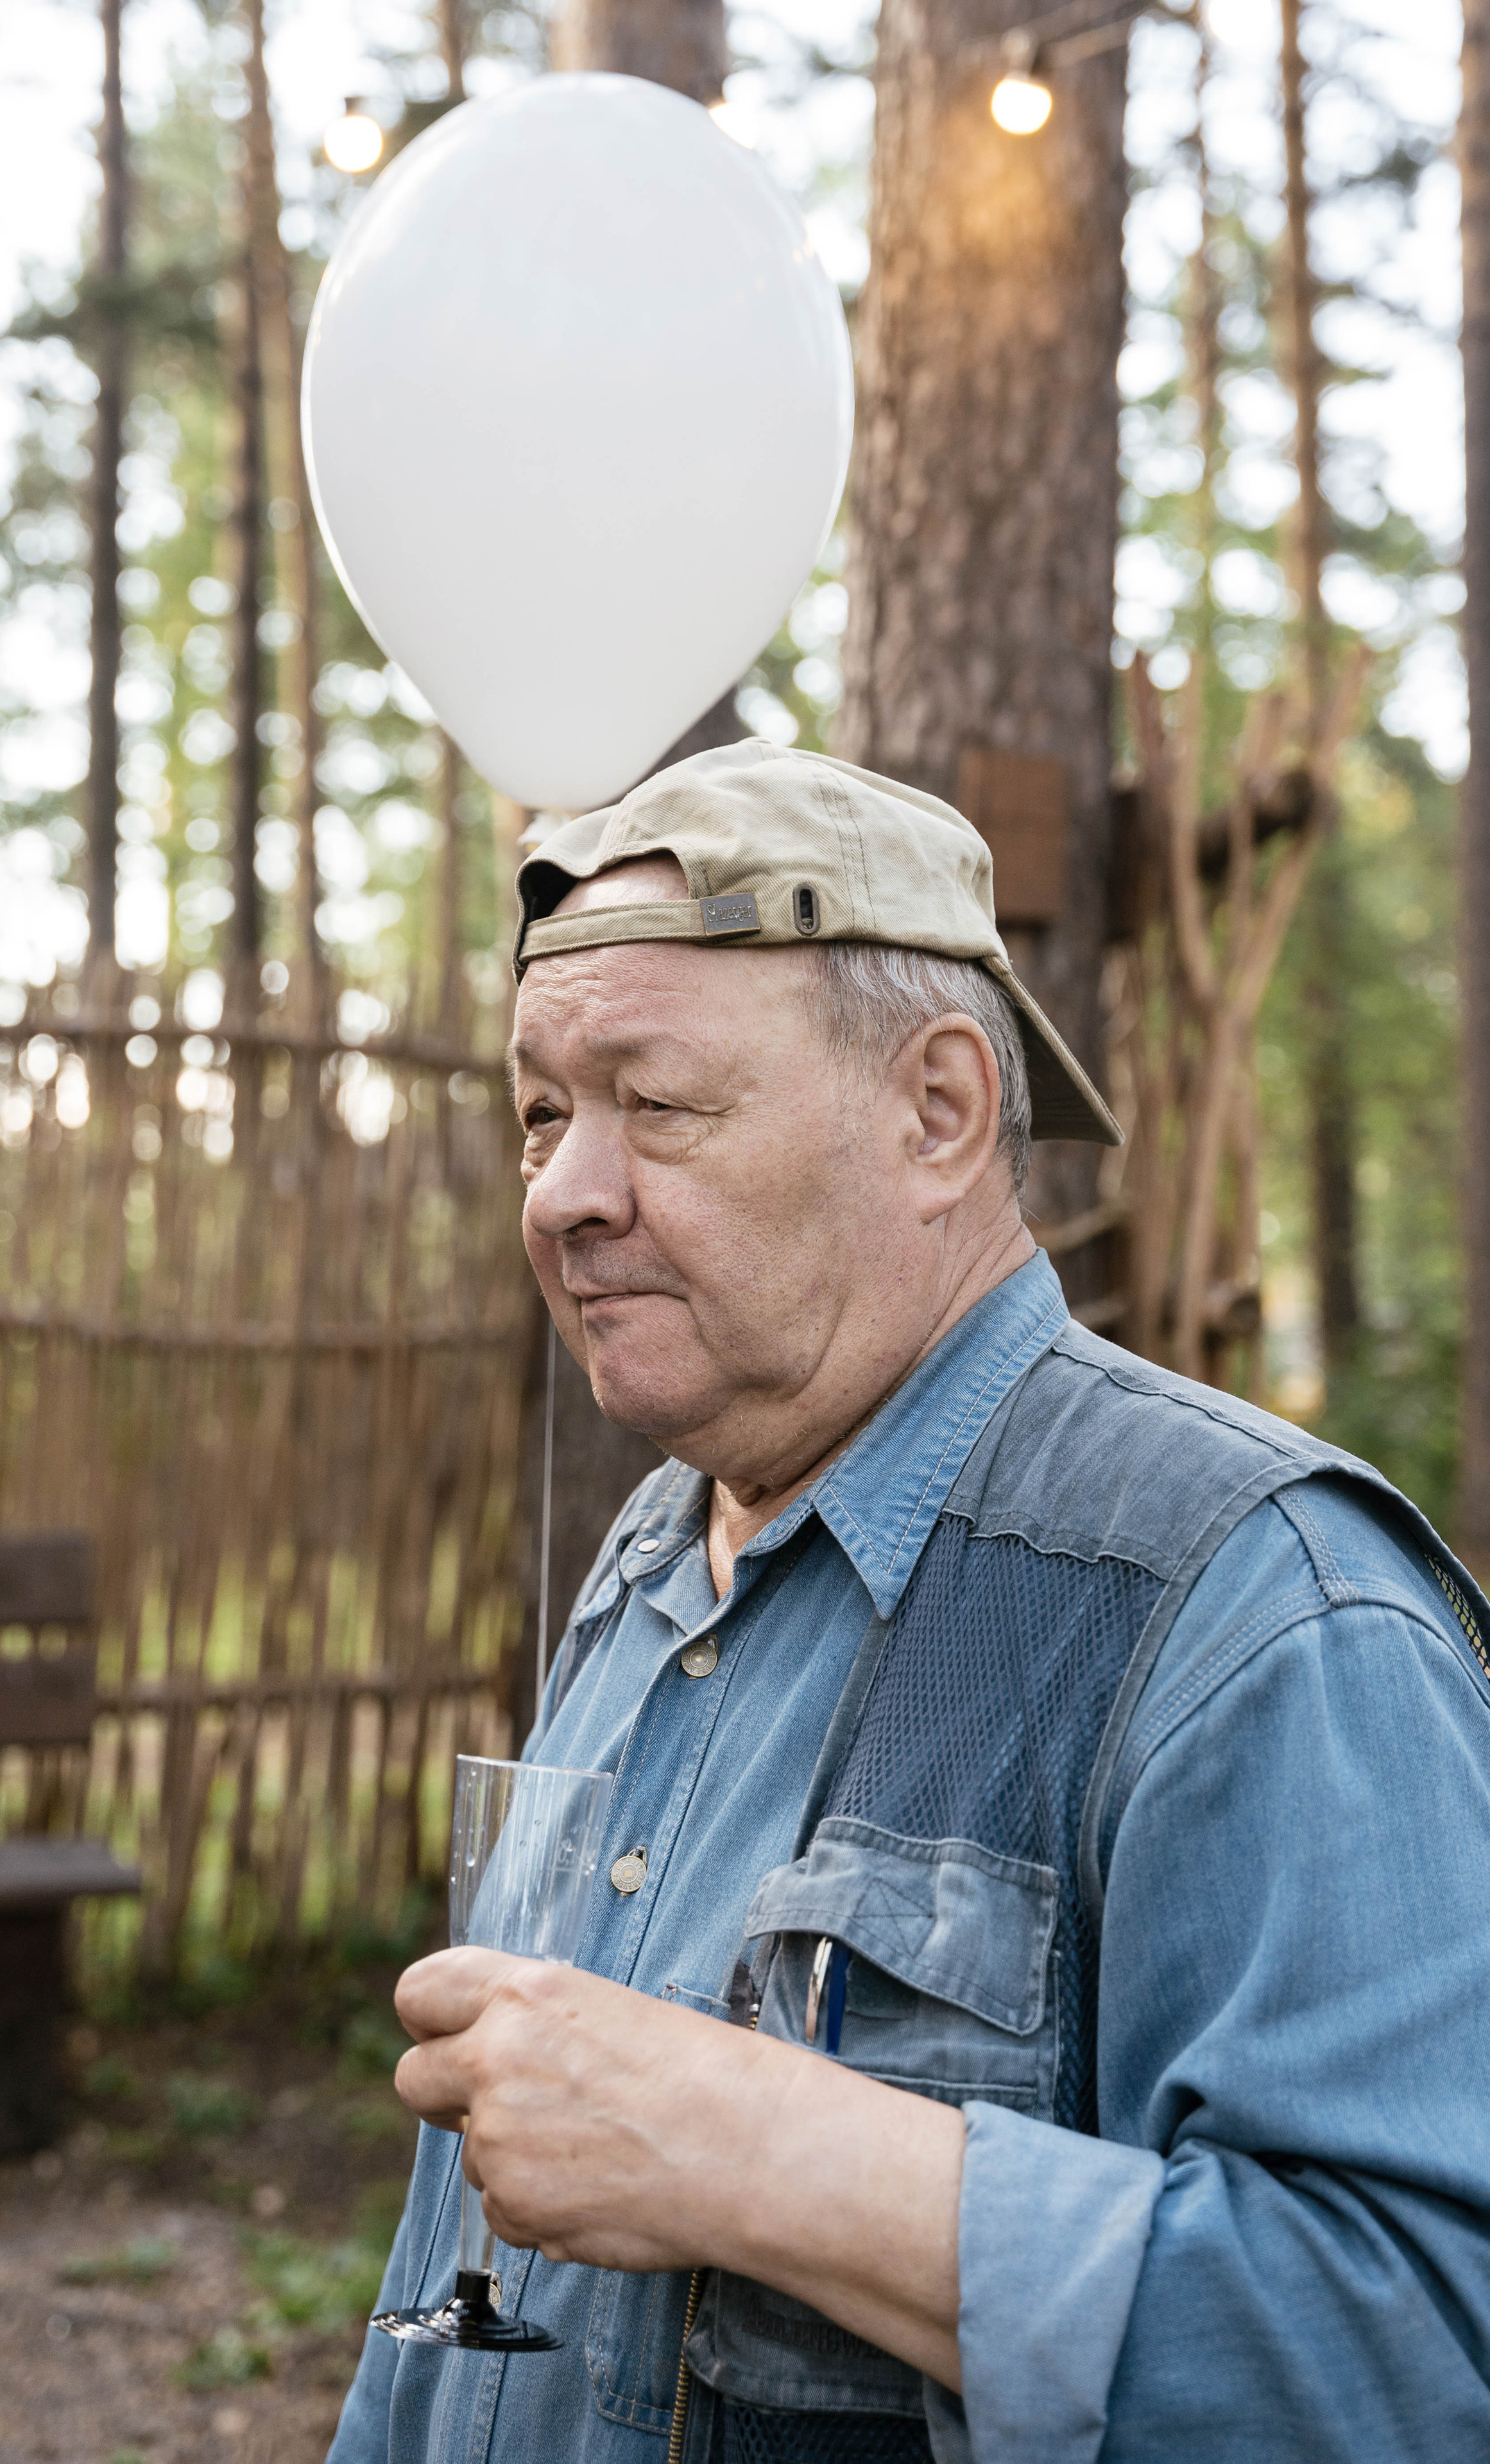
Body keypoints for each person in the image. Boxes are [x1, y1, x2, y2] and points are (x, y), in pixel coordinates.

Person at [328, 741, 1490, 2464]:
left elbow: (1406, 2360)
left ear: (937, 1112)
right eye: (542, 1115)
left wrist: (753, 2150)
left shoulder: (1259, 1605)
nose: (565, 1191)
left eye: (654, 1103)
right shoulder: (658, 1560)